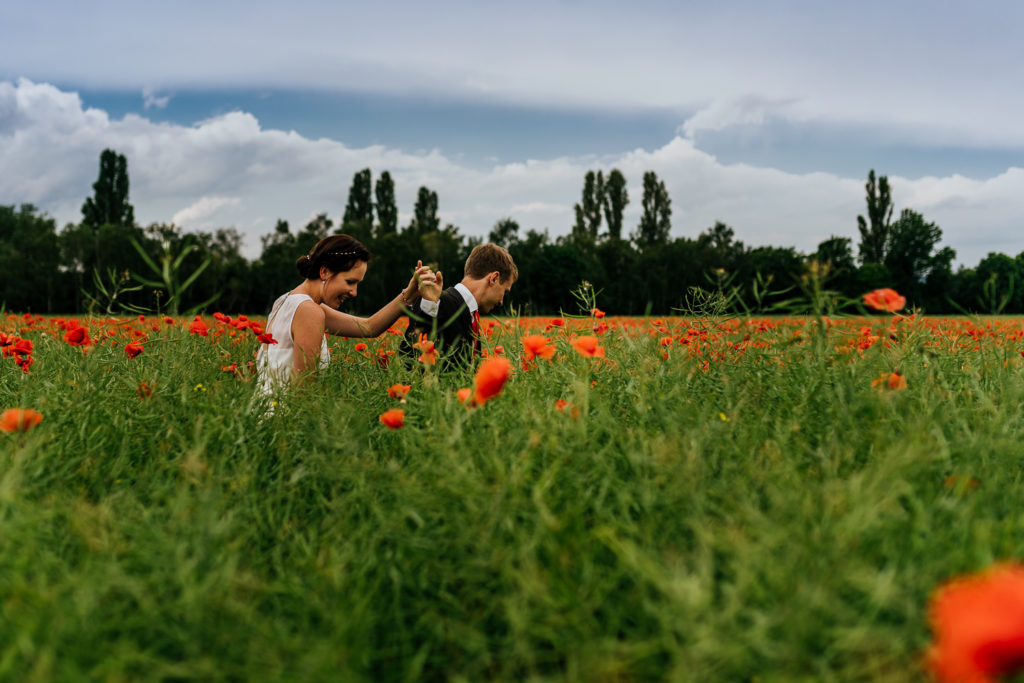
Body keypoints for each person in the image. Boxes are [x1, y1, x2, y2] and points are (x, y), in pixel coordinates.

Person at [257, 234, 435, 394]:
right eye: (350, 282)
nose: (354, 292)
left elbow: (368, 327)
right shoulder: (308, 310)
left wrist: (409, 295)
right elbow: (304, 391)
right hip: (286, 422)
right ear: (324, 271)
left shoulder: (287, 301)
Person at [402, 243, 517, 368]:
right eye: (505, 291)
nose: (501, 301)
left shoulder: (471, 315)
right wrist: (429, 303)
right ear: (494, 278)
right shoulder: (439, 302)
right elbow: (411, 355)